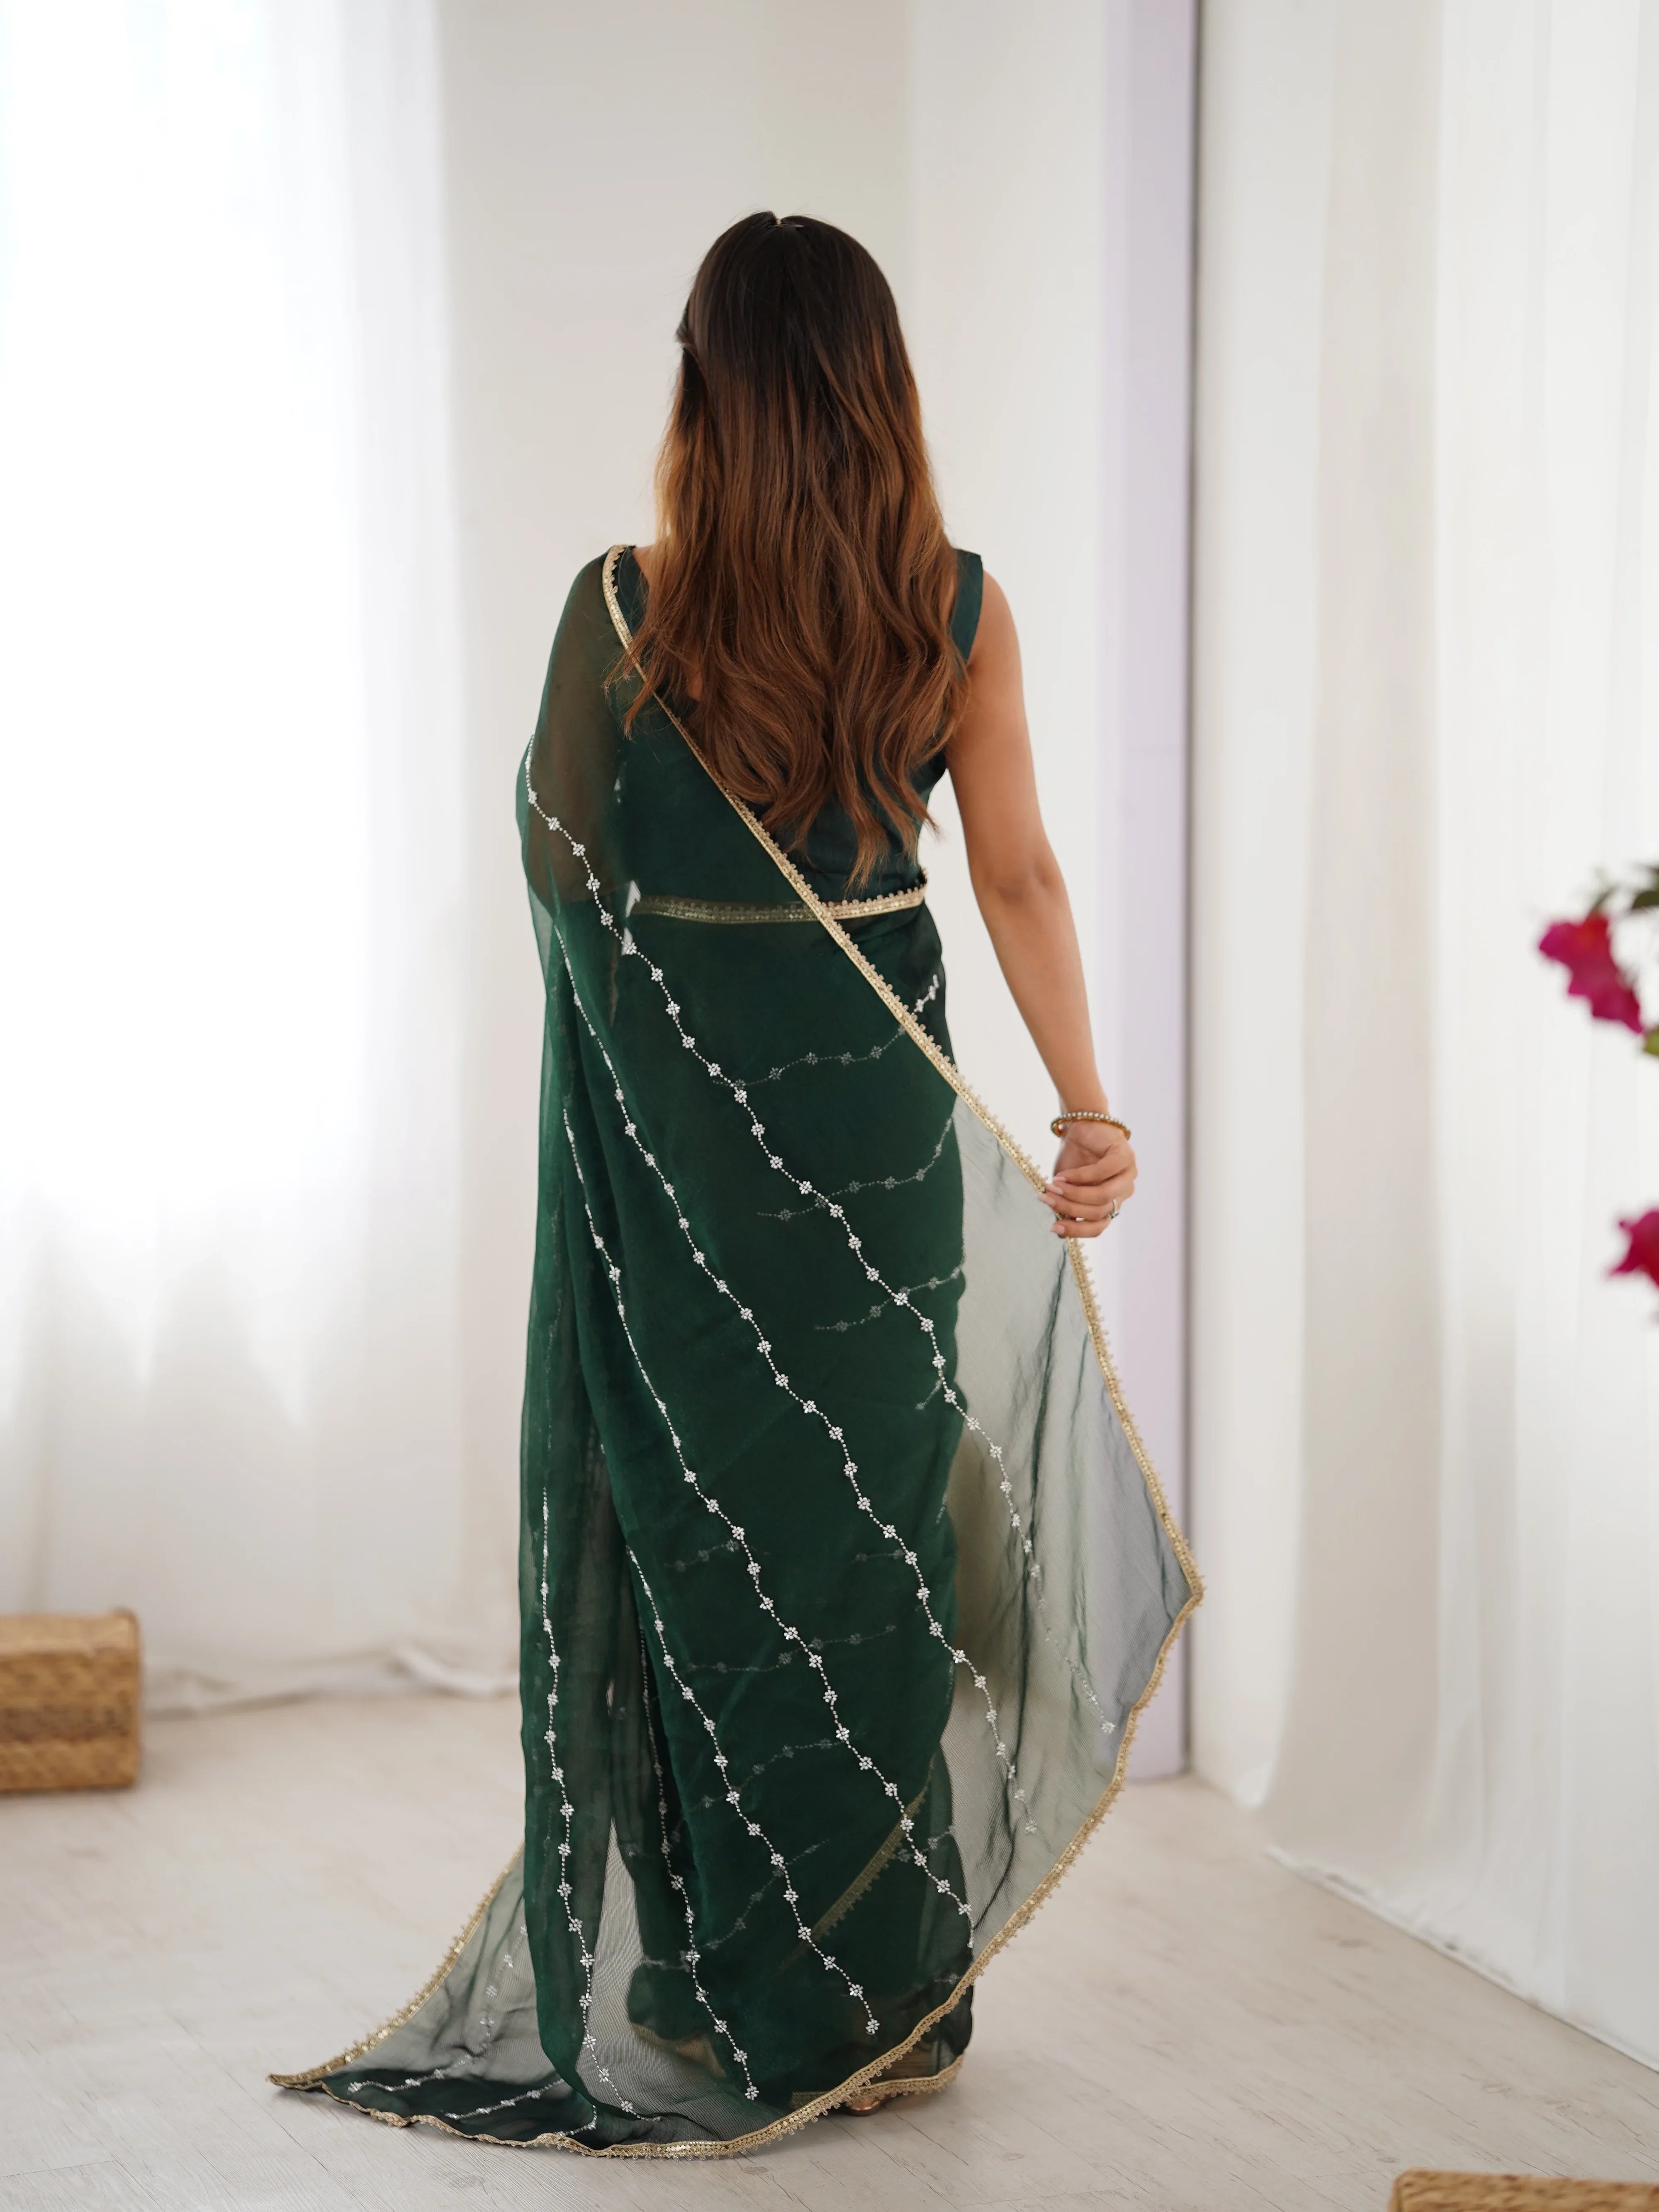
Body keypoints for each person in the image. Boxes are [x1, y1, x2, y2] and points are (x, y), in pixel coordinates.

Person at [275, 211, 1196, 2158]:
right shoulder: (948, 606)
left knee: (703, 1546)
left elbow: (558, 867)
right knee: (862, 1559)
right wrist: (1086, 1105)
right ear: (879, 389)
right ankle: (893, 1999)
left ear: (701, 389)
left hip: (697, 1172)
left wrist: (657, 1074)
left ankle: (717, 1983)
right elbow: (1016, 876)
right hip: (873, 1147)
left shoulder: (623, 612)